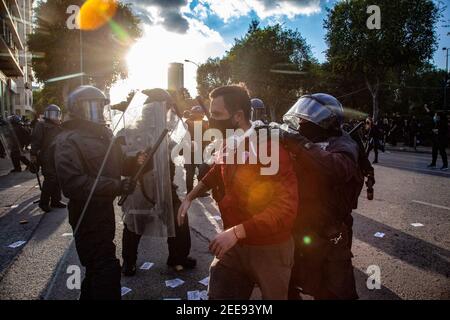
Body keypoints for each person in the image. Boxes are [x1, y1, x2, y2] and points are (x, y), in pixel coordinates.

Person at [178, 85, 298, 300]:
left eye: (216, 115)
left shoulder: (270, 149)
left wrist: (237, 232)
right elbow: (217, 170)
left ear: (238, 116)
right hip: (233, 244)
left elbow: (285, 208)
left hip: (269, 247)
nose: (210, 121)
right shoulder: (229, 142)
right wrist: (190, 196)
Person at [53, 85, 138, 300]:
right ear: (76, 109)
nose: (98, 112)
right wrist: (117, 186)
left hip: (104, 211)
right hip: (86, 214)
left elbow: (116, 166)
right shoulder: (68, 139)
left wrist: (135, 162)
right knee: (104, 269)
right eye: (91, 107)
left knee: (97, 270)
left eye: (100, 107)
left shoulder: (104, 135)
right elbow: (73, 184)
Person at [280, 93, 364, 300]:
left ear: (329, 121)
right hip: (298, 226)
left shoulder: (343, 143)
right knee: (290, 282)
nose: (301, 122)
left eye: (308, 117)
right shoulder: (303, 140)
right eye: (301, 116)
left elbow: (338, 169)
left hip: (329, 232)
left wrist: (300, 144)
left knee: (336, 290)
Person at [121, 88, 197, 276]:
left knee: (179, 218)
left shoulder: (165, 129)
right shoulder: (132, 131)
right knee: (134, 224)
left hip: (164, 185)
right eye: (165, 108)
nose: (168, 112)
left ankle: (178, 257)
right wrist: (137, 159)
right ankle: (128, 261)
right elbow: (122, 161)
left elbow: (173, 152)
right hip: (141, 186)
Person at [31, 105, 66, 212]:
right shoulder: (41, 125)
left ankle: (56, 201)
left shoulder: (59, 126)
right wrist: (33, 154)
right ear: (47, 114)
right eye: (52, 114)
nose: (54, 117)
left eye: (56, 114)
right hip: (46, 156)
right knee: (50, 179)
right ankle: (43, 203)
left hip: (58, 155)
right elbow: (36, 140)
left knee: (58, 179)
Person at [184, 106, 209, 194]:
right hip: (194, 150)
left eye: (200, 113)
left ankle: (193, 191)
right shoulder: (202, 123)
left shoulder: (187, 122)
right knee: (195, 171)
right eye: (197, 113)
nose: (199, 115)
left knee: (197, 170)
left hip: (196, 150)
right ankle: (195, 191)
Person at [424, 105, 448, 170]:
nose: (435, 117)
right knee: (434, 151)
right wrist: (426, 108)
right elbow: (431, 114)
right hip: (436, 139)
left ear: (440, 116)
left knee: (442, 152)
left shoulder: (443, 122)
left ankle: (445, 165)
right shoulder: (437, 121)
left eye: (436, 116)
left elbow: (445, 130)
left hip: (441, 139)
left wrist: (437, 131)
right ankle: (433, 164)